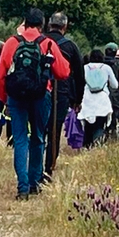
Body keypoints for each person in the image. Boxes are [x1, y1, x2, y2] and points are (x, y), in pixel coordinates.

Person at [0, 8, 71, 200]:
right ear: (42, 25)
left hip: (16, 97)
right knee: (38, 137)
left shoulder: (11, 43)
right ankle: (34, 183)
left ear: (24, 22)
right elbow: (63, 72)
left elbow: (1, 74)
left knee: (20, 139)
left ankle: (22, 187)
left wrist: (4, 98)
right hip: (40, 95)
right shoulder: (47, 43)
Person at [42, 12, 84, 181]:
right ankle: (48, 168)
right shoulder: (71, 46)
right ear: (65, 27)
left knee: (39, 130)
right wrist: (77, 100)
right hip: (62, 93)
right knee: (54, 131)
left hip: (39, 90)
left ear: (49, 25)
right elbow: (80, 77)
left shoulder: (40, 42)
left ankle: (35, 168)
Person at [79, 48, 117, 148]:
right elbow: (115, 85)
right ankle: (97, 145)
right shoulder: (107, 68)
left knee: (88, 126)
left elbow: (79, 83)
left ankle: (86, 146)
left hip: (87, 100)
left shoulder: (84, 67)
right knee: (100, 125)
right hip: (102, 100)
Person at [102, 43, 119, 140]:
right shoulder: (117, 65)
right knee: (113, 116)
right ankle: (111, 137)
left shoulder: (100, 63)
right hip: (114, 96)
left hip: (100, 95)